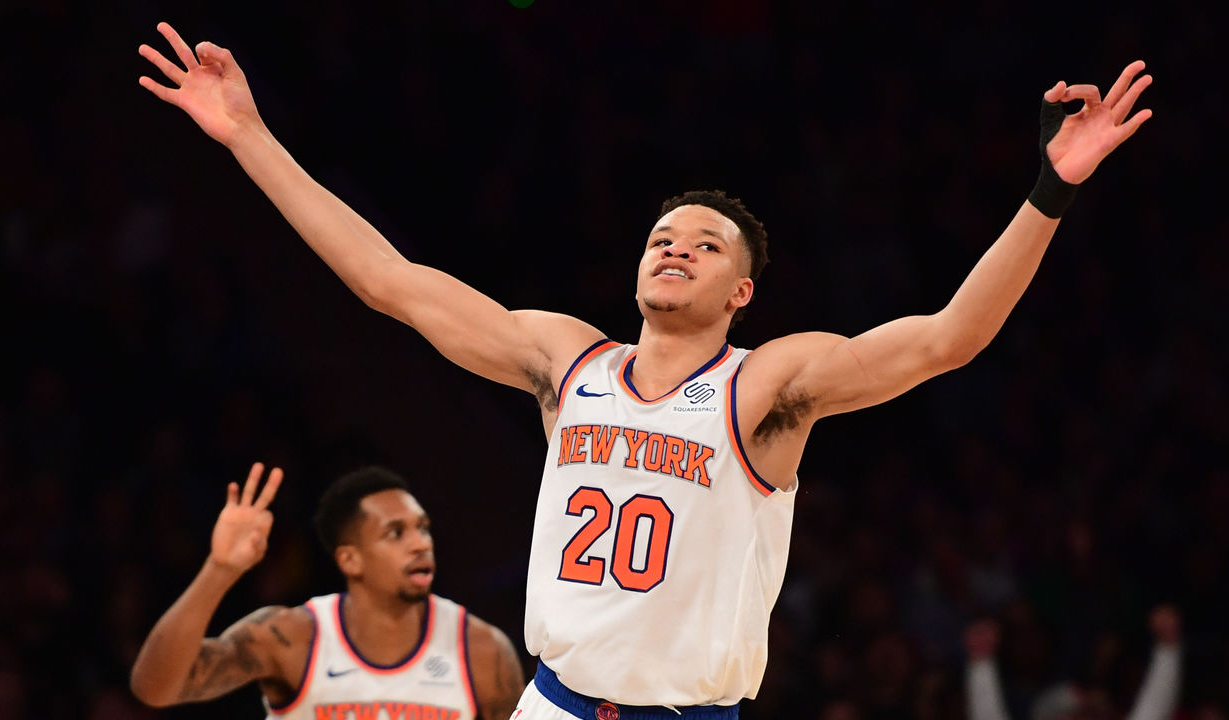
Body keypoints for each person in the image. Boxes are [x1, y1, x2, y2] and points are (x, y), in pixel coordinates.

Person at [137, 21, 1153, 719]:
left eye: (705, 246)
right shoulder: (565, 359)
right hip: (554, 702)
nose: (675, 249)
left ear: (741, 293)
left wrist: (1050, 189)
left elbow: (946, 339)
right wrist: (248, 136)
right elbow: (387, 282)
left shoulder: (763, 388)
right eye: (663, 237)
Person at [130, 462, 525, 719]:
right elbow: (155, 688)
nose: (420, 544)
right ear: (350, 560)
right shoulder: (291, 638)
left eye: (422, 528)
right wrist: (220, 570)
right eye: (396, 533)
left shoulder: (482, 651)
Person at [963, 606, 1182, 720]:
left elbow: (1153, 712)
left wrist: (1167, 648)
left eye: (1089, 716)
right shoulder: (1045, 708)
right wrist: (981, 664)